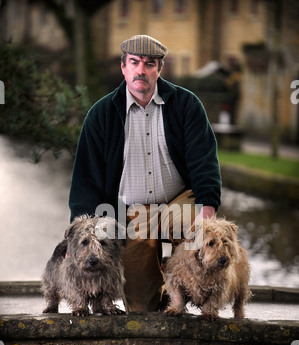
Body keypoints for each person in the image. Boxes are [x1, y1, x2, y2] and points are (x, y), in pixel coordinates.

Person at [69, 34, 221, 312]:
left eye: (149, 64)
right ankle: (161, 293)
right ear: (123, 67)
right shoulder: (101, 115)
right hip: (132, 213)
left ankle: (190, 292)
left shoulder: (187, 105)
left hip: (180, 202)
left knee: (198, 231)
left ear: (159, 69)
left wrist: (207, 209)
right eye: (134, 62)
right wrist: (77, 235)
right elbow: (85, 180)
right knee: (142, 308)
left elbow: (204, 161)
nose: (141, 70)